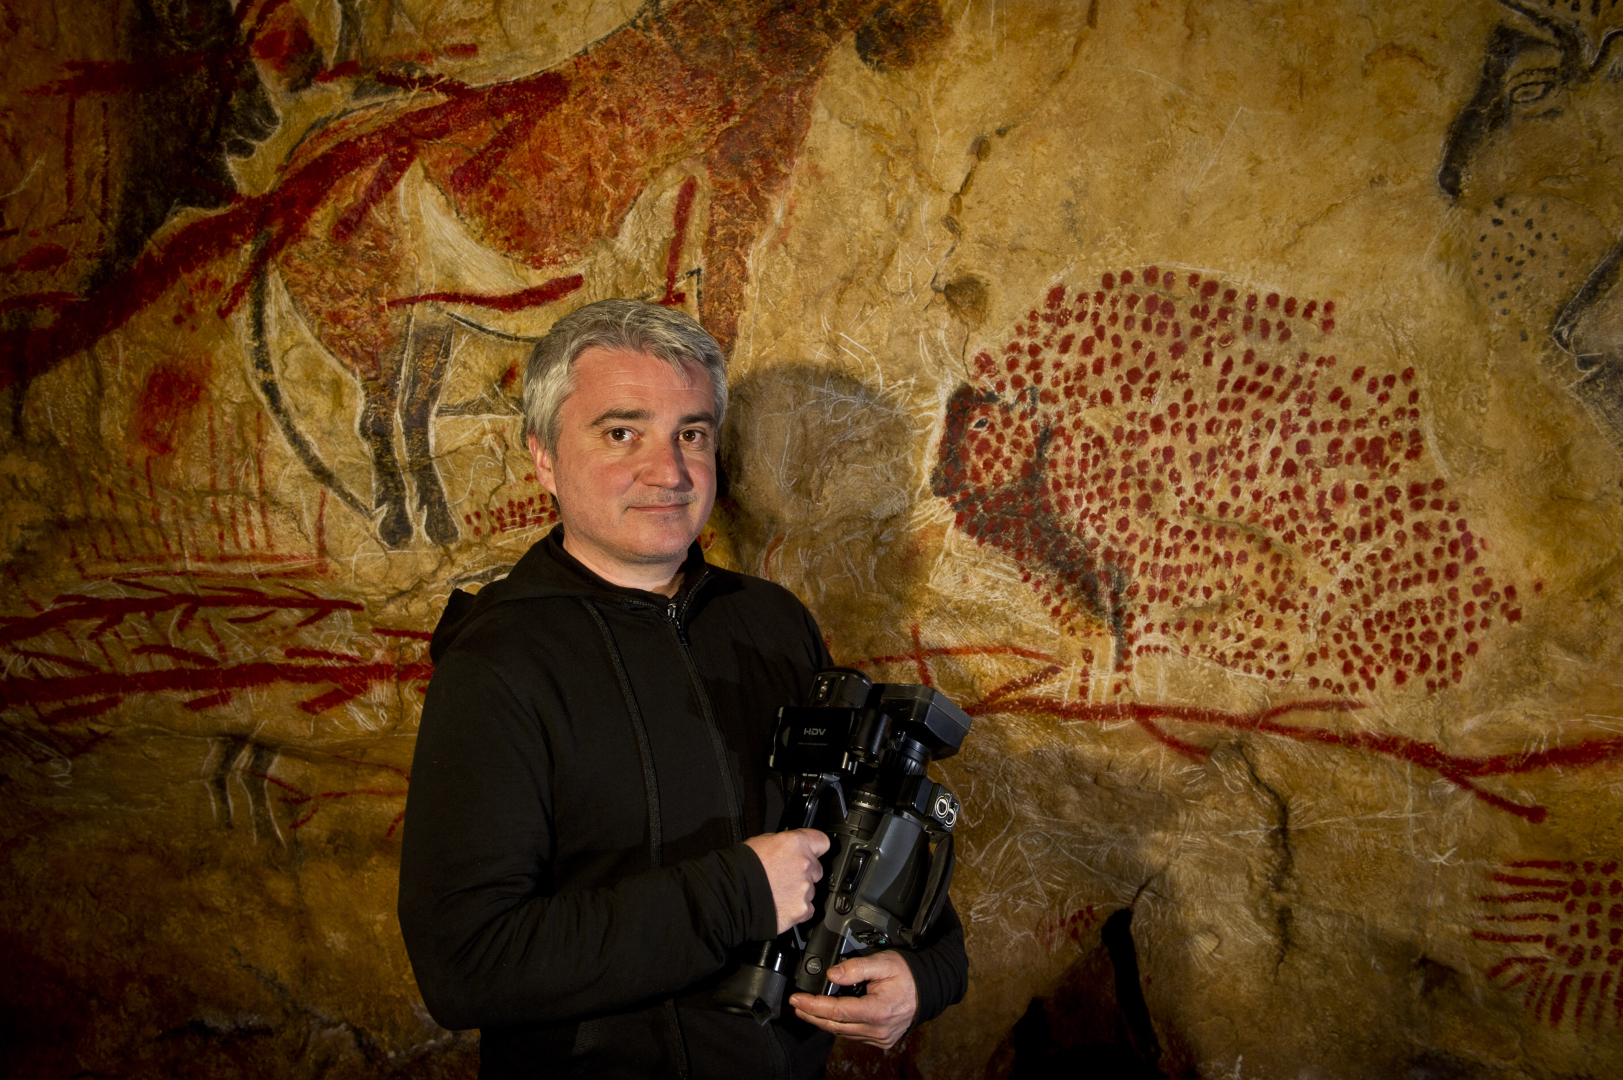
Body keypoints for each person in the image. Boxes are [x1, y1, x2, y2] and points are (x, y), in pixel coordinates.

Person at [397, 299, 967, 1078]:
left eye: (690, 434)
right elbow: (468, 965)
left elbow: (866, 822)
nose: (668, 473)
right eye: (621, 432)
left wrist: (924, 973)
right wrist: (736, 895)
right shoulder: (497, 663)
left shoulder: (771, 622)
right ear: (542, 458)